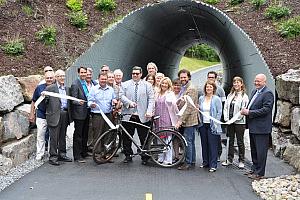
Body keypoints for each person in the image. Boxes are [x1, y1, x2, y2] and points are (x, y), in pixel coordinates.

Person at [241, 74, 274, 180]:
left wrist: (249, 112)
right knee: (254, 150)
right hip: (253, 126)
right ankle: (254, 169)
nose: (256, 83)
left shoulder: (268, 93)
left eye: (259, 81)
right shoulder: (254, 91)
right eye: (255, 81)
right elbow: (251, 105)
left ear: (265, 82)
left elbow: (266, 110)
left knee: (261, 152)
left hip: (262, 128)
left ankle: (260, 173)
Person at [120, 66, 155, 165]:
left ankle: (145, 157)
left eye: (137, 73)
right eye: (133, 73)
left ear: (141, 74)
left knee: (144, 137)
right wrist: (128, 102)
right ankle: (128, 155)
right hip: (128, 115)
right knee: (127, 137)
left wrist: (149, 111)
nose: (135, 75)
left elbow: (151, 99)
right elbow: (121, 95)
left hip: (142, 115)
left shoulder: (147, 85)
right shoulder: (125, 84)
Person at [44, 70, 73, 165]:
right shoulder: (50, 88)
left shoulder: (67, 89)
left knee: (62, 136)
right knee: (54, 137)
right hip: (54, 115)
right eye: (60, 76)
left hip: (65, 114)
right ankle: (53, 157)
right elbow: (45, 102)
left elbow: (70, 101)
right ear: (56, 77)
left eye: (63, 76)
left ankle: (62, 154)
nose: (62, 78)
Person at [88, 72, 117, 162]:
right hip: (98, 115)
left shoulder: (111, 90)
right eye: (102, 79)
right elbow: (89, 101)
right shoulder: (94, 89)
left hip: (108, 115)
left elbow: (114, 99)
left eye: (105, 79)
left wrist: (114, 101)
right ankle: (97, 155)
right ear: (99, 79)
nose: (103, 81)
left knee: (108, 135)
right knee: (98, 135)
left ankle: (106, 154)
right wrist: (91, 104)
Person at [222, 77, 249, 168]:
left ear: (241, 84)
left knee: (240, 141)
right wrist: (226, 118)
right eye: (234, 82)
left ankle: (241, 160)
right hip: (230, 122)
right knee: (230, 140)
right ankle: (229, 159)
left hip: (239, 122)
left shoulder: (244, 96)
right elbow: (226, 107)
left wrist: (236, 119)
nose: (236, 84)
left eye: (238, 82)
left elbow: (243, 110)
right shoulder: (230, 95)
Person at [199, 71, 226, 161]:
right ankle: (206, 160)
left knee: (215, 140)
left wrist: (217, 120)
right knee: (206, 141)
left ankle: (217, 155)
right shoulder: (202, 96)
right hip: (205, 121)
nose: (211, 79)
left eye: (212, 77)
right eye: (209, 77)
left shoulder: (220, 90)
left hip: (215, 119)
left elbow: (222, 104)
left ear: (215, 78)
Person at [154, 77, 181, 165]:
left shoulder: (170, 94)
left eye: (166, 83)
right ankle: (161, 156)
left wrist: (178, 118)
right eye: (163, 83)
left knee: (167, 138)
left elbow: (174, 106)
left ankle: (168, 158)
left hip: (167, 117)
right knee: (159, 137)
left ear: (168, 85)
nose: (164, 85)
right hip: (158, 118)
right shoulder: (157, 93)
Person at [29, 71, 55, 160]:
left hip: (53, 115)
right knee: (40, 134)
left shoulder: (56, 88)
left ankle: (52, 153)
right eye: (47, 78)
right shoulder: (39, 88)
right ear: (45, 78)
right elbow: (34, 101)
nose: (49, 79)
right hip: (41, 114)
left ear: (54, 78)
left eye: (51, 78)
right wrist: (32, 114)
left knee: (53, 135)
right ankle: (40, 153)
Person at [177, 69, 199, 170]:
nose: (183, 79)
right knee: (190, 141)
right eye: (181, 77)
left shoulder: (191, 89)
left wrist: (181, 120)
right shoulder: (184, 88)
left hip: (189, 120)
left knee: (188, 141)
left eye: (184, 77)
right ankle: (192, 160)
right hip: (188, 119)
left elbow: (189, 107)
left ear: (189, 77)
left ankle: (188, 162)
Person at [198, 81, 222, 172]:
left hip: (213, 125)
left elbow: (219, 112)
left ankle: (213, 164)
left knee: (213, 145)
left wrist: (216, 123)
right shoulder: (201, 98)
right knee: (204, 144)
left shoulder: (216, 99)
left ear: (213, 89)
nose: (208, 89)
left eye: (210, 87)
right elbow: (200, 110)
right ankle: (205, 162)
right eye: (207, 87)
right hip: (203, 124)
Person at [70, 66, 90, 163]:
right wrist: (79, 102)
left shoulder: (86, 83)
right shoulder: (75, 84)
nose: (83, 74)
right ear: (78, 73)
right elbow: (73, 99)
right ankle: (77, 156)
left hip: (86, 112)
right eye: (81, 72)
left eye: (85, 72)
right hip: (79, 113)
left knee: (85, 133)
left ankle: (83, 152)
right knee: (78, 135)